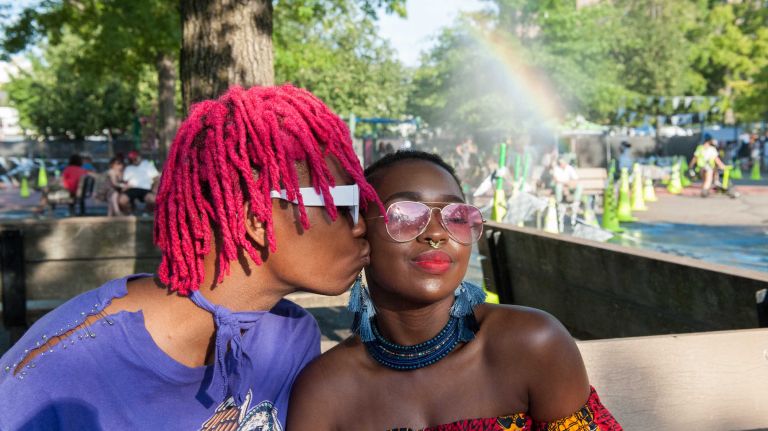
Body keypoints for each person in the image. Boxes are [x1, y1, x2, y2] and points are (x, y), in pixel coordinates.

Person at [0, 85, 383, 430]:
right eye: (346, 203)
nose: (362, 224)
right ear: (257, 219)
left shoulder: (291, 336)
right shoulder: (53, 377)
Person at [287, 151, 621, 430]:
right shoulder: (325, 392)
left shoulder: (532, 345)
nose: (436, 233)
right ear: (359, 233)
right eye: (405, 215)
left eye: (456, 216)